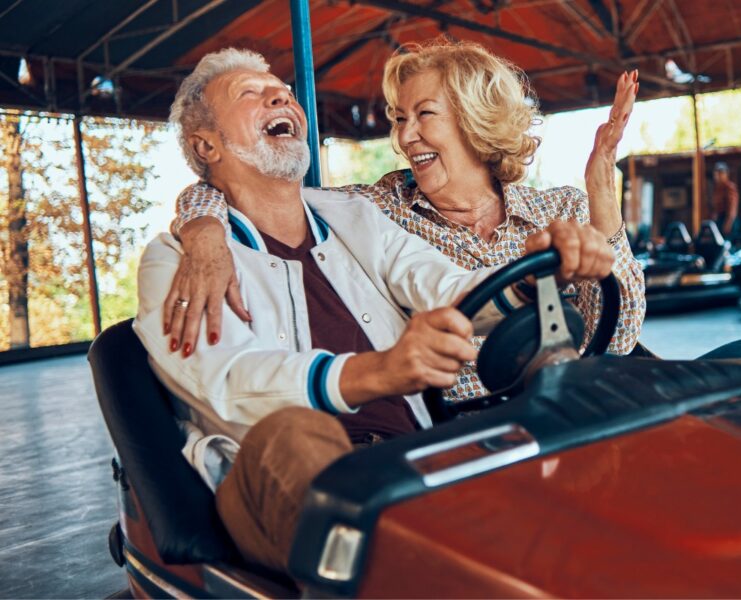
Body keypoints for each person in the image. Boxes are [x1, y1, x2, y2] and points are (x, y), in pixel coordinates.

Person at [133, 48, 617, 575]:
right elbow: (224, 378)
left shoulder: (353, 216)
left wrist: (533, 277)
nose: (279, 97)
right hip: (275, 480)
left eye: (284, 92)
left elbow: (443, 286)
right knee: (291, 431)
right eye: (249, 94)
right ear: (206, 144)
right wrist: (379, 371)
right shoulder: (176, 260)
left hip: (409, 460)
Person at [162, 40, 646, 402]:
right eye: (398, 118)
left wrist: (602, 188)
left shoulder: (557, 211)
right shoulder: (377, 211)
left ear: (474, 120)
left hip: (568, 403)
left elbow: (617, 341)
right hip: (467, 425)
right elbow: (262, 187)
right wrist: (202, 228)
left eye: (423, 114)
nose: (406, 135)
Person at [712, 161, 738, 235]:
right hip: (719, 219)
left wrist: (729, 222)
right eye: (717, 174)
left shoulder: (729, 187)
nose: (718, 176)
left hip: (727, 219)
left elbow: (732, 206)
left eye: (721, 173)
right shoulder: (717, 188)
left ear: (726, 174)